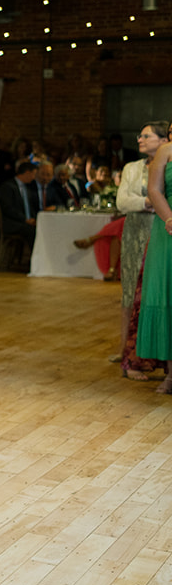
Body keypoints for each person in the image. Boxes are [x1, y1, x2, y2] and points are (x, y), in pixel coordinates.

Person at [116, 122, 169, 381]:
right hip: (138, 234)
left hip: (159, 231)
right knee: (131, 296)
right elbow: (122, 201)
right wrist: (149, 202)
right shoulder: (132, 168)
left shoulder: (166, 160)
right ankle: (127, 353)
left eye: (146, 136)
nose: (140, 139)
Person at [138, 139, 172, 394]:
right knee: (167, 295)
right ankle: (171, 374)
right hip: (169, 228)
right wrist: (169, 217)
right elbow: (155, 189)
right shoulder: (166, 151)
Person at [0, 160, 42, 269]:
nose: (34, 178)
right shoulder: (8, 187)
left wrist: (34, 218)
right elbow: (8, 209)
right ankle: (36, 262)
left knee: (41, 228)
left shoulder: (27, 188)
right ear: (27, 172)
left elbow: (29, 208)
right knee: (32, 231)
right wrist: (25, 219)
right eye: (33, 174)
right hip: (12, 223)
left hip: (23, 221)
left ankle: (39, 259)